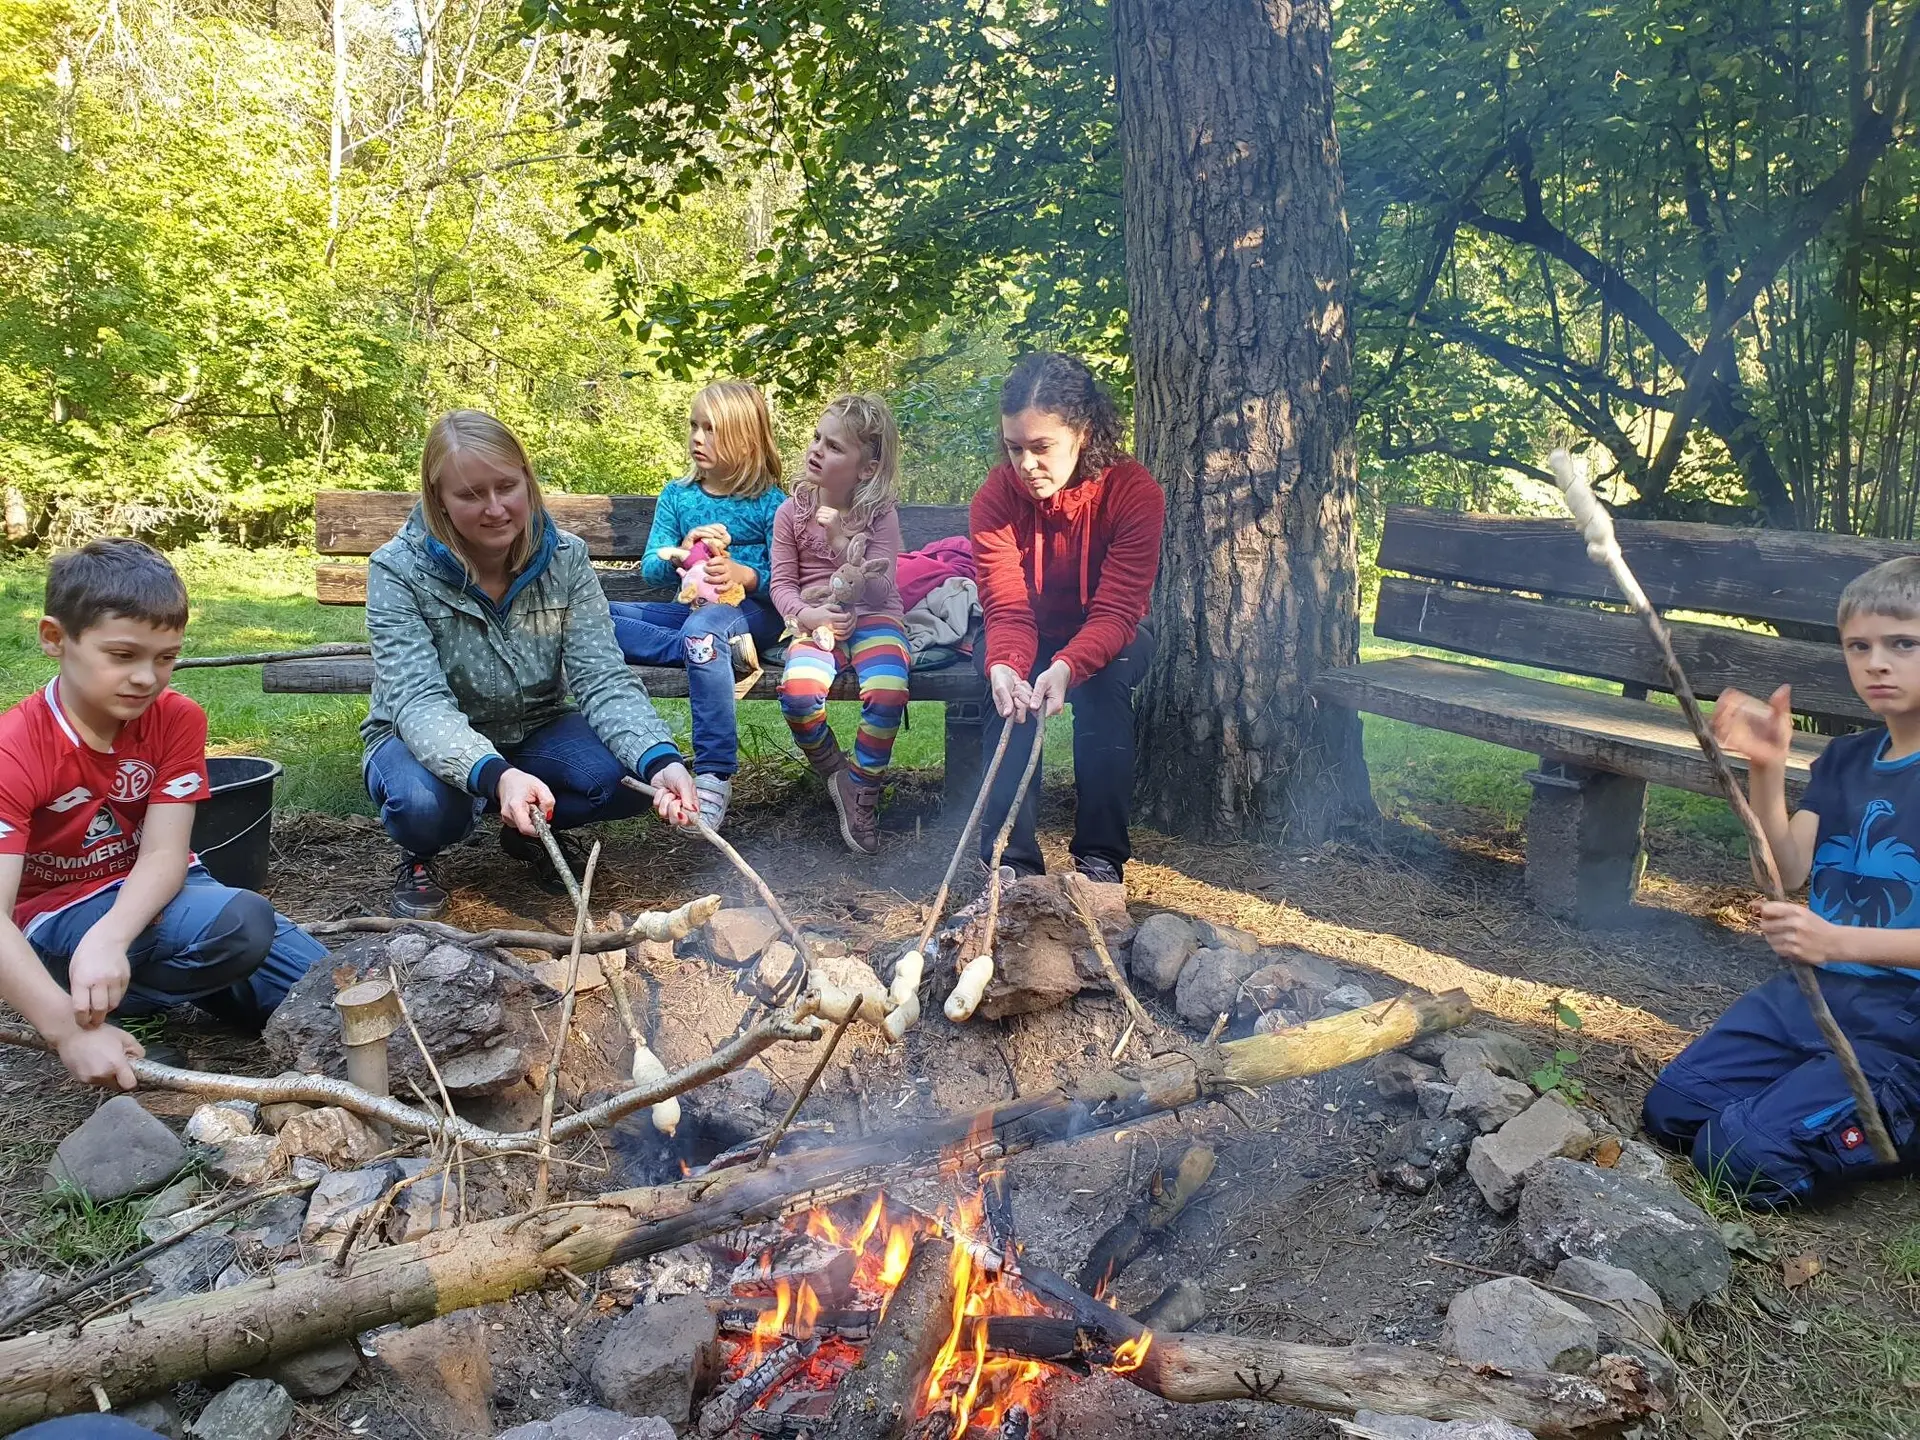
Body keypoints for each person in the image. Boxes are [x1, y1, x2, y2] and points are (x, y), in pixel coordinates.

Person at [1643, 555, 1920, 1205]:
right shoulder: (1847, 759)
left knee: (1738, 1155)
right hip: (1814, 995)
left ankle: (1893, 1119)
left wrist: (1837, 944)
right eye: (1860, 646)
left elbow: (1828, 932)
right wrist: (1766, 771)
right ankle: (1818, 1094)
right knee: (1674, 1111)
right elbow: (1786, 872)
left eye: (1903, 643)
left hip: (1905, 1027)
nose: (1876, 663)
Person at [0, 540, 326, 1089]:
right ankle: (75, 997)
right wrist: (65, 1032)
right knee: (244, 923)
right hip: (56, 914)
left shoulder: (175, 718)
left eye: (166, 657)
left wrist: (111, 937)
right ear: (55, 639)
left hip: (157, 892)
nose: (146, 679)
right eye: (123, 656)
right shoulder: (15, 749)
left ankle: (131, 987)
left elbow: (165, 853)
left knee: (328, 992)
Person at [363, 410, 698, 919]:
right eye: (471, 494)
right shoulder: (397, 569)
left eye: (506, 487)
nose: (495, 508)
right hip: (413, 737)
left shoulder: (565, 558)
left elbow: (602, 677)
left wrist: (660, 760)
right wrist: (495, 774)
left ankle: (524, 828)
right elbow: (417, 702)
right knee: (426, 806)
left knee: (628, 778)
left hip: (534, 727)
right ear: (439, 499)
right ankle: (421, 853)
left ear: (528, 481)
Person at [969, 352, 1165, 885]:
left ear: (1082, 432)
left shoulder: (1132, 491)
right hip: (1021, 628)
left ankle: (1100, 860)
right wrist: (1008, 665)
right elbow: (1005, 606)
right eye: (1014, 449)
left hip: (1111, 632)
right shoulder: (995, 497)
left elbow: (1118, 609)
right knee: (1005, 696)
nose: (1026, 465)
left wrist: (1067, 666)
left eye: (1041, 447)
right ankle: (1010, 863)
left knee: (1105, 686)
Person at [608, 381, 789, 832]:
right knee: (596, 616)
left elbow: (787, 578)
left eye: (711, 430)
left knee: (704, 632)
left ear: (746, 439)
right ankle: (706, 653)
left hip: (752, 615)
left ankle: (714, 773)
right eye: (694, 426)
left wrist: (746, 574)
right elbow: (650, 567)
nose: (696, 438)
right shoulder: (678, 495)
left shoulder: (771, 502)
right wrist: (680, 552)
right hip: (693, 616)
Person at [771, 394, 912, 856]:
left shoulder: (879, 514)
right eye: (816, 438)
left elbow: (880, 586)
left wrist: (839, 540)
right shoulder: (791, 512)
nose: (816, 449)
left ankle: (865, 786)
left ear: (866, 469)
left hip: (876, 617)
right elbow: (782, 585)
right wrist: (807, 616)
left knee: (889, 689)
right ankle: (838, 773)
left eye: (833, 446)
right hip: (814, 620)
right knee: (797, 694)